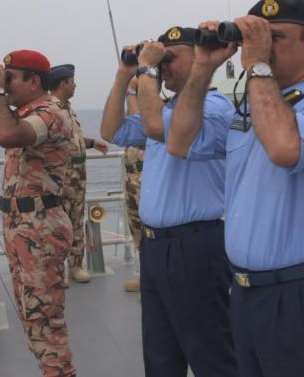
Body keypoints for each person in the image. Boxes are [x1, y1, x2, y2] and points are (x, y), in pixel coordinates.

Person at [167, 0, 304, 377]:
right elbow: (179, 142)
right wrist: (203, 67)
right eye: (256, 38)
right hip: (246, 295)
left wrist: (258, 65)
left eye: (274, 37)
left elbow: (283, 147)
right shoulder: (250, 111)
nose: (261, 46)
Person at [100, 26, 237, 377]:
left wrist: (146, 68)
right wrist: (124, 74)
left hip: (196, 245)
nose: (164, 65)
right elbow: (112, 131)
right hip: (156, 247)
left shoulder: (214, 107)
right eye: (162, 59)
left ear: (200, 57)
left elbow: (154, 127)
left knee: (212, 355)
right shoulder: (165, 109)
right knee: (161, 356)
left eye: (171, 58)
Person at [0, 50, 77, 377]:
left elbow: (6, 136)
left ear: (34, 82)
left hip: (41, 228)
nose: (6, 85)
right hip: (22, 226)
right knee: (31, 314)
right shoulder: (22, 114)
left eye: (11, 78)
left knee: (44, 317)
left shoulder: (51, 113)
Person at [50, 63, 110, 284]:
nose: (75, 85)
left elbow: (73, 139)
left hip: (77, 174)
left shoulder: (68, 109)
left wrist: (92, 143)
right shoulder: (51, 110)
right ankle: (57, 270)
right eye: (72, 81)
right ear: (63, 83)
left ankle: (76, 266)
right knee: (59, 223)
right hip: (62, 174)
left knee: (76, 220)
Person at [123, 75, 145, 293]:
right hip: (131, 180)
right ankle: (145, 275)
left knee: (149, 230)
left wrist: (132, 91)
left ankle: (152, 278)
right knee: (136, 229)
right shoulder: (132, 109)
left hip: (146, 180)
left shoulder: (157, 108)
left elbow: (138, 125)